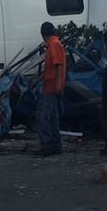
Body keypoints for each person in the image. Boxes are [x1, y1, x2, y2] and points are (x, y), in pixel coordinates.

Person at [37, 22, 67, 156]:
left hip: (52, 88)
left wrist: (58, 85)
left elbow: (59, 65)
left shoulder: (53, 45)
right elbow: (52, 68)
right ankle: (56, 144)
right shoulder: (54, 44)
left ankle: (47, 145)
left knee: (43, 117)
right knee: (53, 117)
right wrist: (37, 79)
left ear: (43, 34)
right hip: (52, 86)